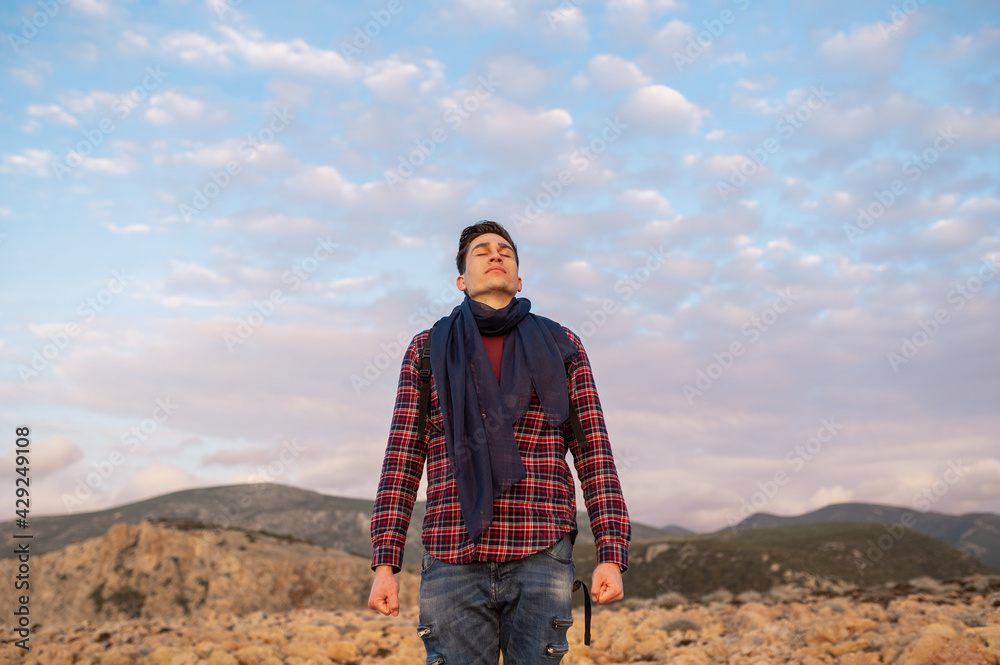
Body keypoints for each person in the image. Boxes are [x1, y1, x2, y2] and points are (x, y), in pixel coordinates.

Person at [368, 220, 631, 664]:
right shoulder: (427, 349)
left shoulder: (562, 344)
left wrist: (611, 551)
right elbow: (403, 457)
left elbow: (593, 451)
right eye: (482, 251)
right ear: (461, 280)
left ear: (519, 277)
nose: (495, 255)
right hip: (453, 552)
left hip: (540, 548)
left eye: (505, 250)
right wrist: (384, 564)